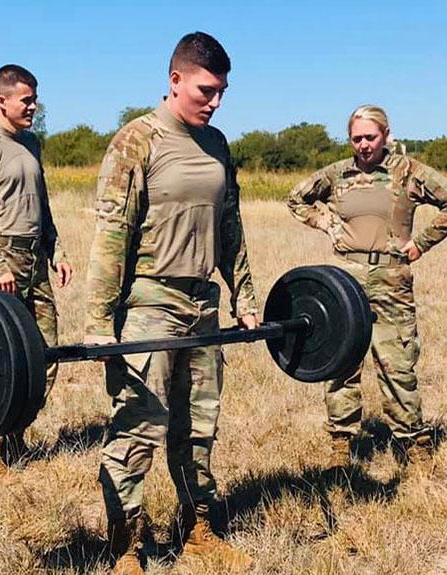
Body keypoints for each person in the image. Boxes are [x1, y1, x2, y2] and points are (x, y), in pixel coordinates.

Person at [84, 32, 258, 574]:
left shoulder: (218, 144)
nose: (215, 101)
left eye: (223, 92)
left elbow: (230, 226)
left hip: (203, 302)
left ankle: (198, 528)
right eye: (206, 90)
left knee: (198, 426)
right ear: (175, 79)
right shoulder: (137, 141)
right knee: (139, 426)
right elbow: (112, 235)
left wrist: (244, 295)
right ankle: (127, 546)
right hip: (150, 302)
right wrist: (97, 320)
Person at [287, 105, 447, 469]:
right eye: (356, 138)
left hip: (391, 280)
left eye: (370, 137)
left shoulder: (408, 172)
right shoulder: (338, 174)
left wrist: (420, 243)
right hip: (343, 280)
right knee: (340, 362)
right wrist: (329, 223)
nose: (363, 145)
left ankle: (412, 442)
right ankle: (341, 442)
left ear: (385, 135)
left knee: (397, 362)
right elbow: (296, 198)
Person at [0, 64, 73, 466]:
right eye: (26, 100)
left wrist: (56, 251)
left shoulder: (32, 144)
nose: (33, 107)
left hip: (35, 258)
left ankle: (16, 434)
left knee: (45, 354)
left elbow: (43, 205)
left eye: (35, 99)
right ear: (1, 101)